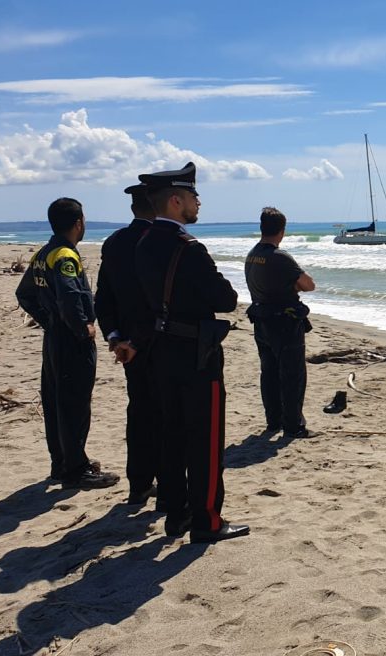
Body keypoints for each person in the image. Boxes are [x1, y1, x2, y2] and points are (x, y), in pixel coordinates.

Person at [134, 162, 249, 543]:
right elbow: (226, 299)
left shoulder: (144, 243)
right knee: (206, 440)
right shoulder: (189, 249)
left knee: (171, 433)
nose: (199, 203)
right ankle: (208, 521)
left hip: (160, 350)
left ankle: (176, 512)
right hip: (196, 353)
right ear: (175, 200)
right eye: (194, 197)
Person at [16, 198, 120, 490]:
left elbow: (24, 294)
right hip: (70, 340)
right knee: (74, 402)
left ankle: (61, 463)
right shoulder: (64, 256)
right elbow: (70, 295)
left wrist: (49, 321)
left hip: (54, 338)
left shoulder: (42, 253)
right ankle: (76, 469)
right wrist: (81, 326)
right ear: (78, 223)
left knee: (56, 401)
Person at [94, 184, 163, 506]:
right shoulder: (162, 242)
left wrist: (115, 337)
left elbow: (103, 297)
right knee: (167, 414)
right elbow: (160, 302)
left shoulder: (114, 242)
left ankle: (138, 484)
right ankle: (168, 482)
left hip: (126, 345)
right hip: (161, 342)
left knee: (138, 412)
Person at [244, 207, 317, 438]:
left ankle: (273, 421)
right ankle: (293, 426)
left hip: (262, 321)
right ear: (282, 231)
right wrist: (293, 286)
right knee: (292, 376)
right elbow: (309, 285)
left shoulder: (253, 254)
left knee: (269, 374)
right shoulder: (280, 257)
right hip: (284, 323)